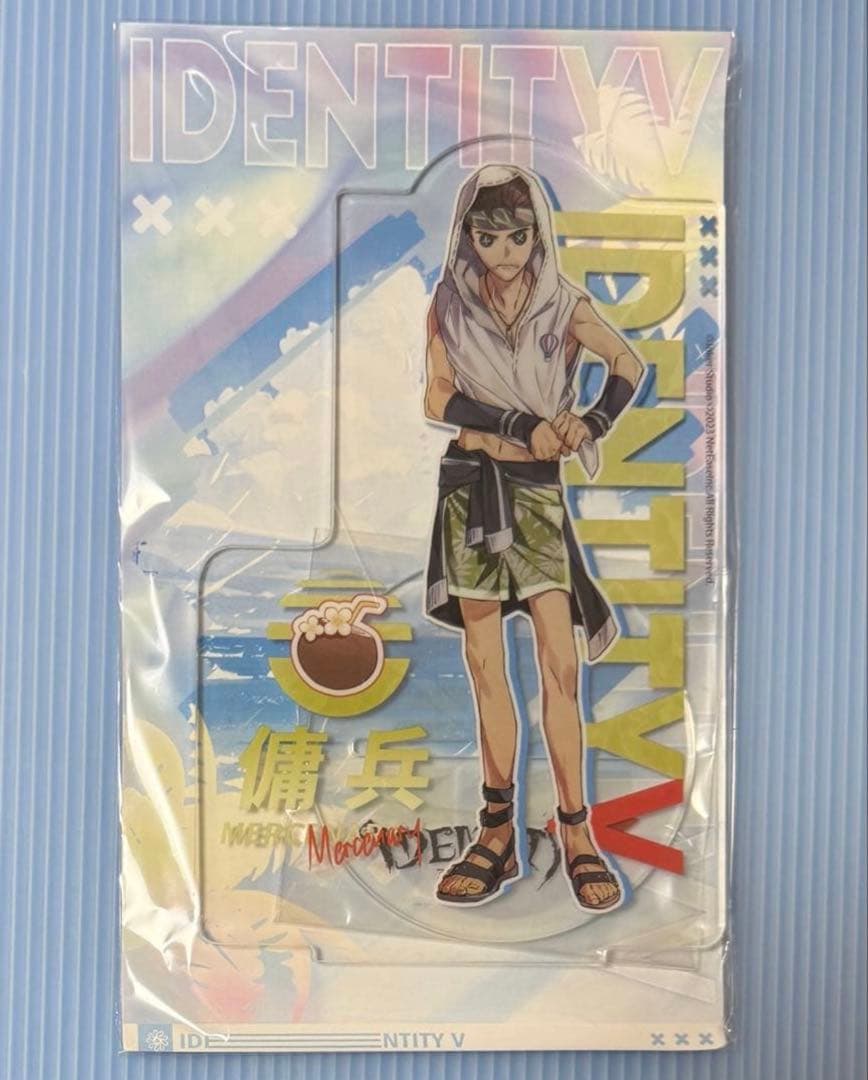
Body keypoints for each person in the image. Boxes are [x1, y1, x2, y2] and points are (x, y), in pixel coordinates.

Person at [423, 165, 644, 911]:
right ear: (469, 235)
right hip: (471, 487)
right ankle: (496, 832)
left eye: (517, 236)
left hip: (537, 494)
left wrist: (593, 420)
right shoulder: (448, 303)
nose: (504, 251)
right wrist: (519, 422)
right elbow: (437, 396)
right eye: (488, 236)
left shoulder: (563, 302)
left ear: (536, 234)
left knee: (560, 665)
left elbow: (628, 362)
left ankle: (576, 831)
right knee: (487, 667)